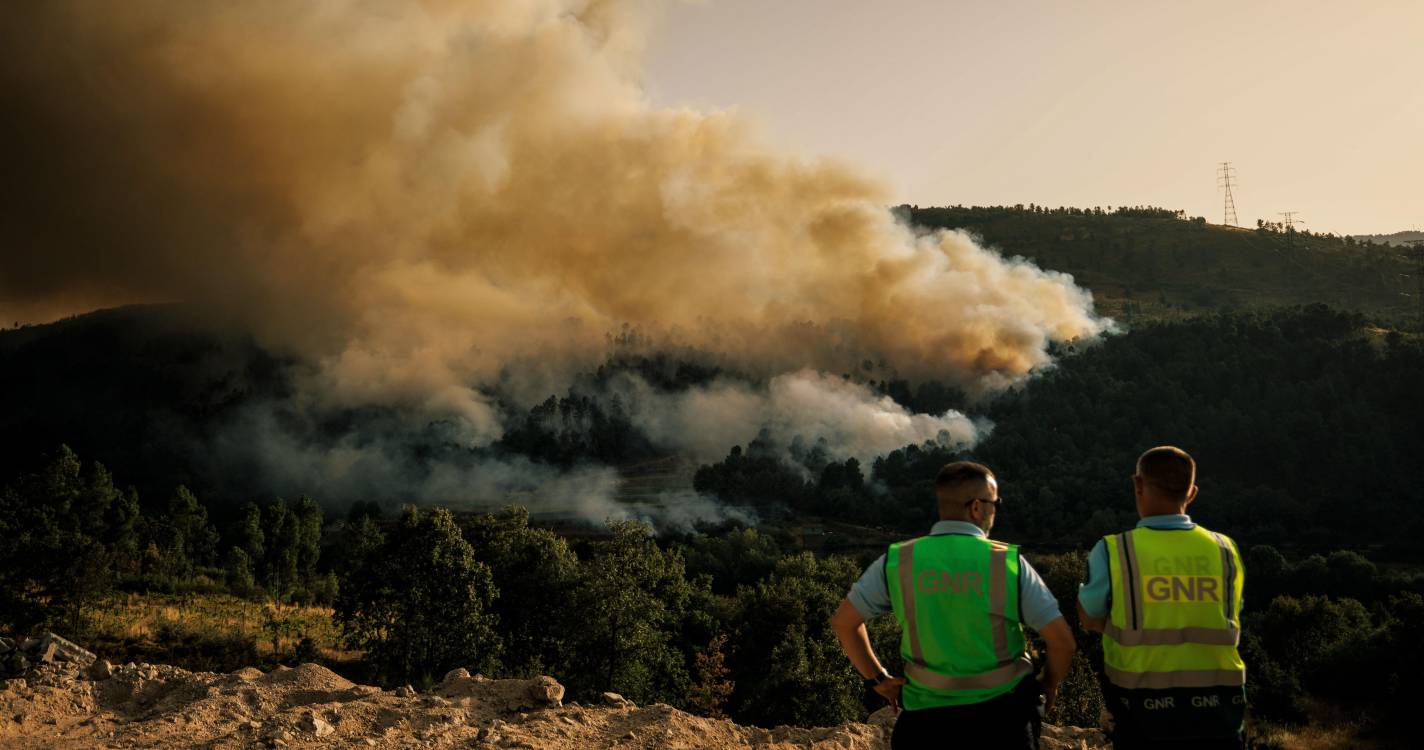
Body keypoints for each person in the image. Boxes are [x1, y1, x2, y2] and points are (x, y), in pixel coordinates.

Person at [831, 461, 1076, 749]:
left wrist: (879, 680)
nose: (995, 510)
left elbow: (844, 622)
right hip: (1003, 724)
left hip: (925, 726)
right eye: (994, 503)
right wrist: (1048, 685)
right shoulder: (1006, 562)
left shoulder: (900, 560)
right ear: (976, 507)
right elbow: (1062, 643)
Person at [1077, 446, 1246, 749]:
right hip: (1220, 714)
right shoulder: (1226, 550)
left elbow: (1089, 618)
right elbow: (1231, 615)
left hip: (1141, 716)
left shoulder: (1114, 550)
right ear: (1192, 492)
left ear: (1138, 485)